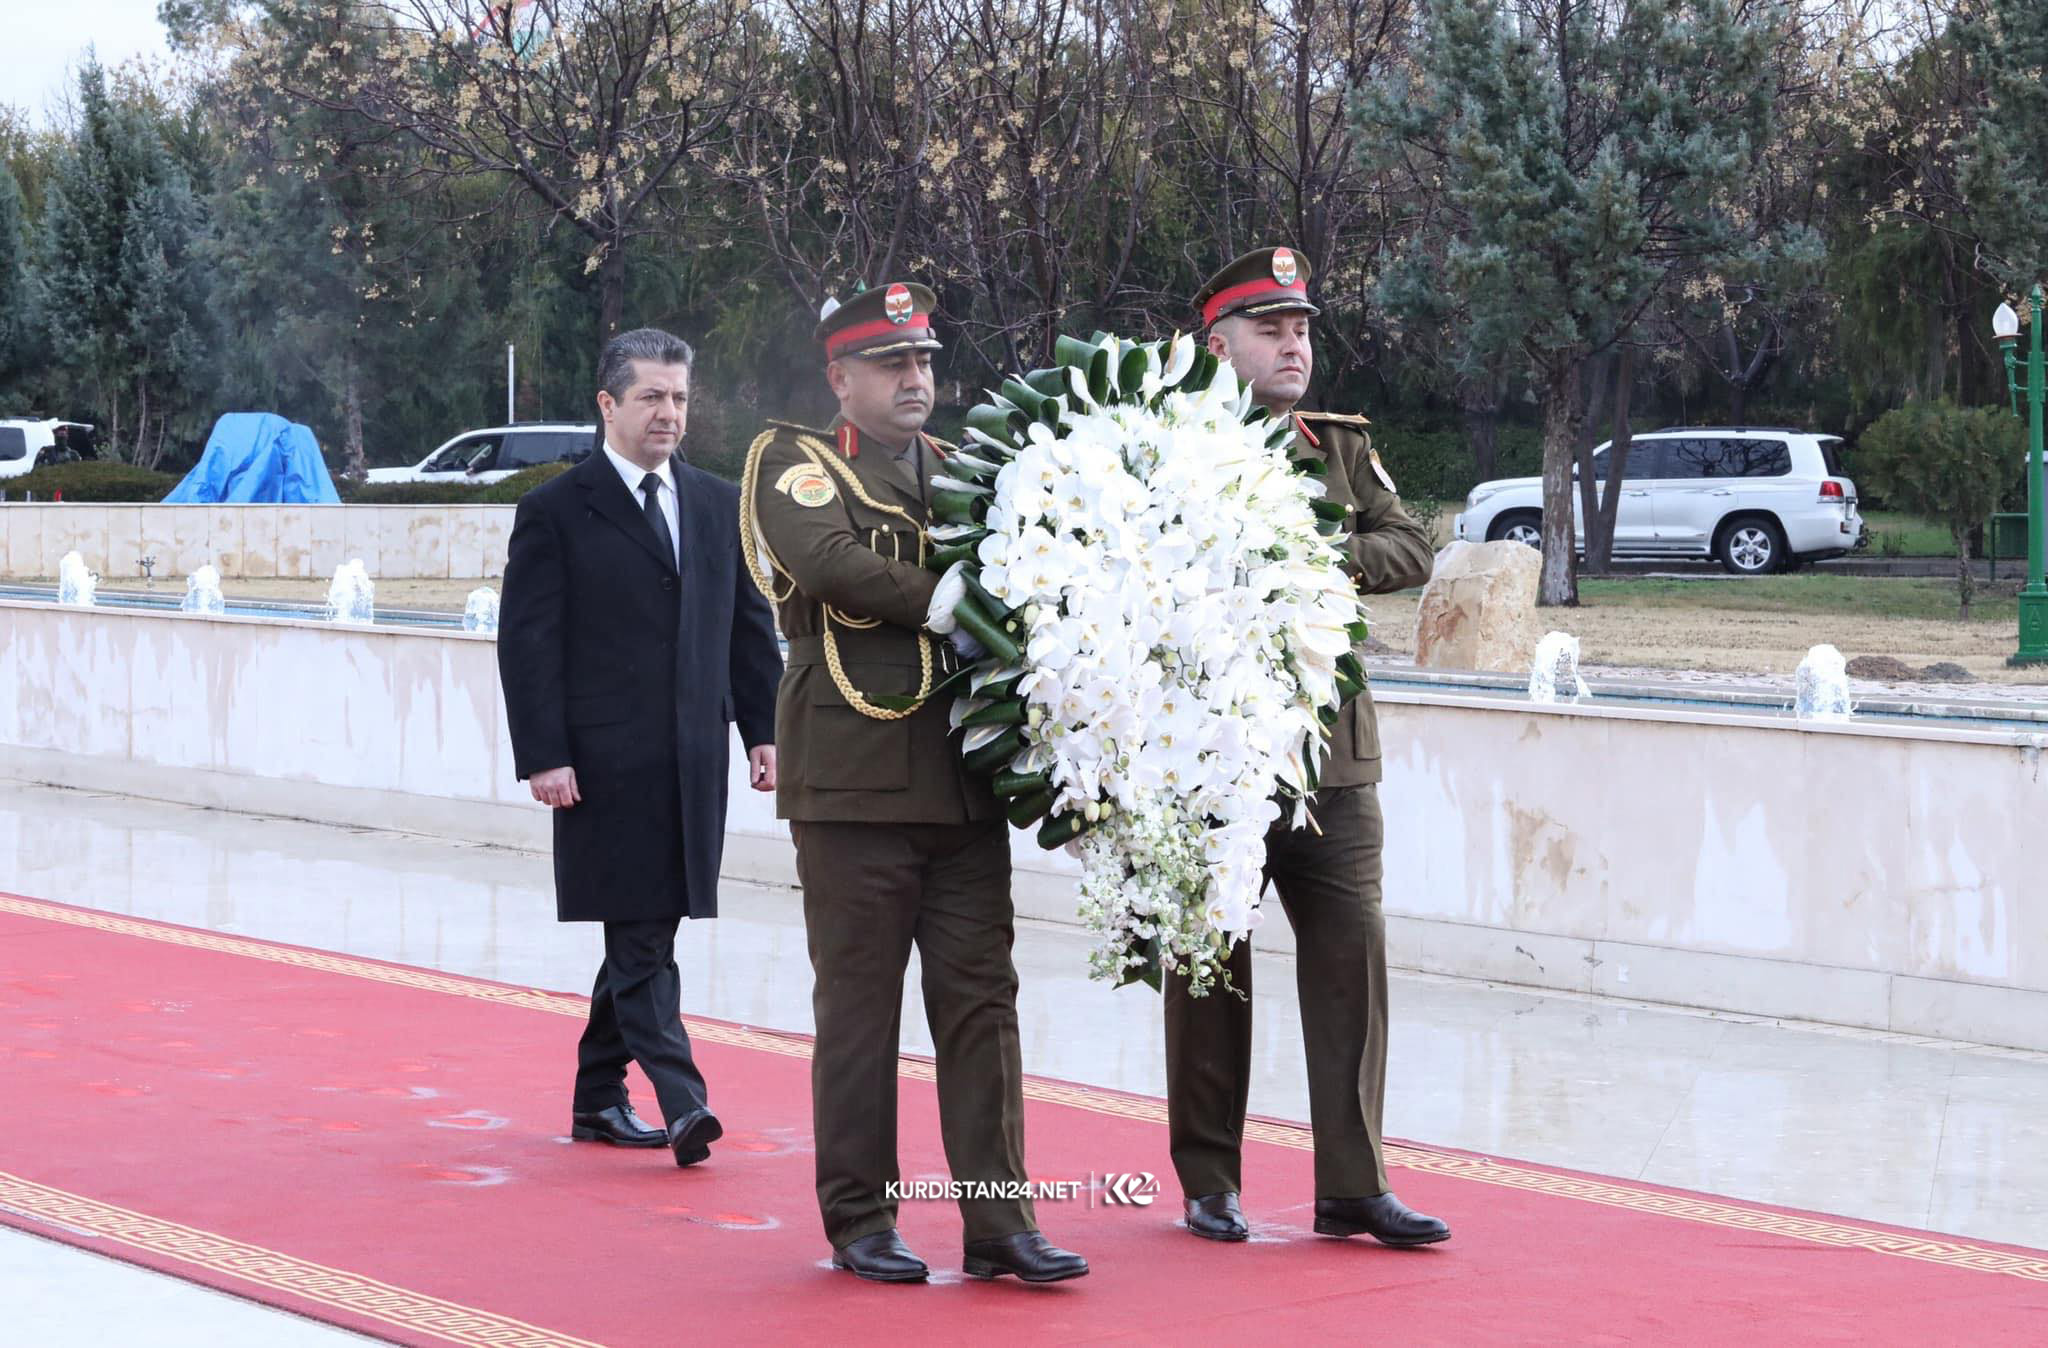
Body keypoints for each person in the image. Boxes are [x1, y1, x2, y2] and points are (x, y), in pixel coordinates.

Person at [739, 283, 1087, 1285]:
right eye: (890, 363)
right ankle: (859, 1218)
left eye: (924, 361)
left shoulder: (970, 472)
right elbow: (830, 560)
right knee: (859, 1010)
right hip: (851, 784)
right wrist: (942, 598)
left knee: (982, 1006)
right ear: (838, 377)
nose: (913, 379)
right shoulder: (795, 464)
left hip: (963, 785)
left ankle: (997, 1220)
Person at [1165, 248, 1451, 1247]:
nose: (1293, 346)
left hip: (1329, 757)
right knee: (1209, 968)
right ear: (1218, 344)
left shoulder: (1333, 442)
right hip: (1207, 755)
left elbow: (1408, 544)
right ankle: (1209, 1178)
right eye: (1269, 330)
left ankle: (1353, 1183)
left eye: (1301, 330)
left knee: (1349, 964)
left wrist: (1304, 551)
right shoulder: (1162, 445)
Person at [498, 327, 781, 1169]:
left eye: (681, 398)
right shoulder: (554, 509)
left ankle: (595, 1097)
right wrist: (543, 755)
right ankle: (684, 1100)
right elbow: (529, 644)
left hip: (693, 762)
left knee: (646, 928)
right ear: (608, 404)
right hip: (602, 768)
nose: (670, 414)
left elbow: (746, 625)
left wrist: (763, 729)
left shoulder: (716, 501)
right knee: (643, 935)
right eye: (653, 397)